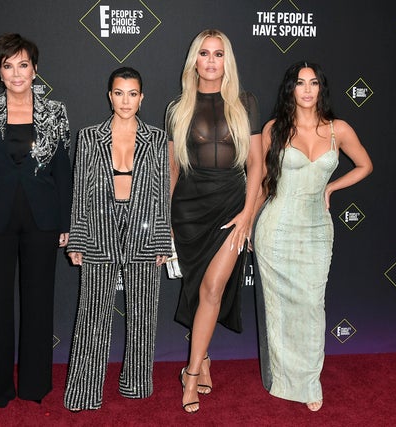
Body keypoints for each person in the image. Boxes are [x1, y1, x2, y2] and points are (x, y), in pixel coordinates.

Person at [0, 33, 72, 410]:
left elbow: (63, 172)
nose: (17, 72)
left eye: (23, 64)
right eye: (8, 65)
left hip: (43, 219)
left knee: (39, 302)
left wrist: (65, 223)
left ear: (35, 69)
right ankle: (0, 390)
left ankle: (36, 385)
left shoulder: (55, 112)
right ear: (0, 71)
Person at [254, 61, 373, 412]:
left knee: (311, 305)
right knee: (279, 308)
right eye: (300, 83)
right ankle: (283, 380)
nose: (307, 90)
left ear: (321, 88)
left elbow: (365, 165)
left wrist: (332, 187)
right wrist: (247, 221)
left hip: (317, 229)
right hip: (275, 228)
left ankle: (308, 381)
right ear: (291, 88)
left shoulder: (339, 130)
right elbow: (263, 182)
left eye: (314, 83)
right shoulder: (274, 129)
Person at [63, 67, 171, 411]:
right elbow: (80, 189)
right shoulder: (89, 136)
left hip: (143, 227)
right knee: (92, 314)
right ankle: (84, 391)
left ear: (142, 97)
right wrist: (78, 238)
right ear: (109, 96)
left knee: (143, 314)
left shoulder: (156, 138)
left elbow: (161, 192)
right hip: (99, 227)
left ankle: (136, 384)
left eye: (133, 93)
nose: (126, 100)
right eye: (119, 93)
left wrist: (161, 239)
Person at [166, 29, 263, 413]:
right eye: (204, 53)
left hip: (230, 206)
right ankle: (203, 358)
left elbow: (255, 165)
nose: (210, 61)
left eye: (218, 54)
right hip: (188, 210)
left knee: (212, 289)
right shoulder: (177, 107)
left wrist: (247, 214)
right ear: (194, 60)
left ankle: (190, 374)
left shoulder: (246, 102)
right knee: (197, 288)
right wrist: (167, 223)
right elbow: (172, 170)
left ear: (227, 60)